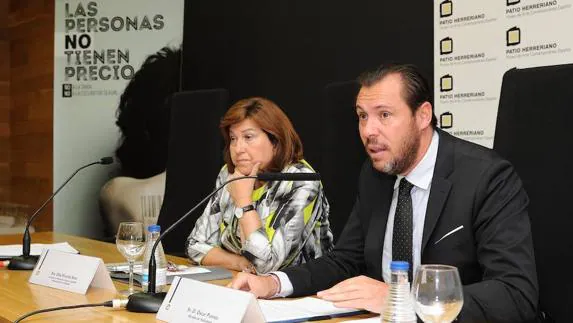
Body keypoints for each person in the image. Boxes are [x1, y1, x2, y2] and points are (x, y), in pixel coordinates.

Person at [230, 64, 539, 322]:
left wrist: (401, 299)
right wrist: (273, 283)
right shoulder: (375, 175)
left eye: (384, 115)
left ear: (423, 116)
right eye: (362, 116)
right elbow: (344, 260)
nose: (368, 131)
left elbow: (514, 293)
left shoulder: (485, 177)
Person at [186, 97, 334, 274]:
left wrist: (243, 203)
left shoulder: (300, 181)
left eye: (248, 137)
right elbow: (195, 245)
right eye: (233, 138)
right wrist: (240, 263)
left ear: (275, 140)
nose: (238, 148)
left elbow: (265, 266)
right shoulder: (230, 174)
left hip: (303, 294)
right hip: (242, 283)